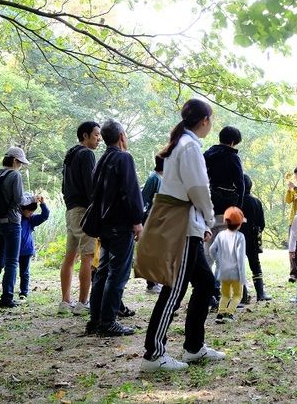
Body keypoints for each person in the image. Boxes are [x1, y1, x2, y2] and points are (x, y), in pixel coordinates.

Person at [141, 98, 225, 372]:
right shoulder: (189, 147)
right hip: (185, 226)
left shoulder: (185, 145)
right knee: (175, 288)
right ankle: (153, 354)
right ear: (204, 121)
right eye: (211, 119)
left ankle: (193, 347)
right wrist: (210, 217)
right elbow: (198, 189)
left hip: (189, 223)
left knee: (204, 282)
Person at [84, 119, 143, 337]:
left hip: (104, 224)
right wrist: (137, 221)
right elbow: (131, 191)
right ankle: (108, 321)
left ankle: (96, 319)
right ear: (121, 137)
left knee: (103, 271)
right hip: (120, 224)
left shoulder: (102, 160)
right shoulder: (123, 158)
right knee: (117, 274)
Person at [59, 121, 101, 315]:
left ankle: (65, 302)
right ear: (85, 136)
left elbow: (63, 186)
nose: (99, 139)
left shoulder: (71, 154)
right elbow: (91, 185)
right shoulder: (87, 154)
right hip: (84, 211)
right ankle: (83, 303)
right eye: (96, 135)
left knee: (69, 257)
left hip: (70, 210)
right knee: (87, 256)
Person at [0, 147, 30, 308]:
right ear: (15, 160)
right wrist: (32, 197)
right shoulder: (15, 175)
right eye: (21, 162)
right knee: (11, 262)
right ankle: (7, 298)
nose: (21, 166)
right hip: (12, 222)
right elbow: (19, 200)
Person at [204, 126, 245, 304]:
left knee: (207, 253)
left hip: (208, 209)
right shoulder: (232, 157)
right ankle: (220, 292)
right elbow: (241, 184)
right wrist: (238, 209)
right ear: (233, 141)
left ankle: (208, 291)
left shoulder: (207, 154)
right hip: (227, 211)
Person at [211, 206, 248, 323]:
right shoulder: (240, 237)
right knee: (238, 295)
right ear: (239, 224)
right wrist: (242, 275)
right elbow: (240, 257)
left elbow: (212, 250)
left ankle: (220, 314)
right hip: (236, 271)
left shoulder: (220, 235)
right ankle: (229, 313)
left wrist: (218, 261)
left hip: (223, 271)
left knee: (225, 295)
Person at [240, 174, 271, 301]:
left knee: (239, 266)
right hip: (253, 238)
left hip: (238, 238)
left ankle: (243, 296)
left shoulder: (236, 200)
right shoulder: (257, 202)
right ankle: (260, 293)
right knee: (255, 265)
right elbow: (262, 224)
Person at [18, 193, 50, 301]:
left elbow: (45, 215)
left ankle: (24, 292)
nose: (31, 213)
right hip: (13, 251)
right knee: (11, 272)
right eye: (29, 211)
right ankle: (8, 292)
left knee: (24, 273)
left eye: (33, 211)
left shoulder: (31, 219)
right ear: (22, 209)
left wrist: (43, 204)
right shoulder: (16, 218)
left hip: (26, 251)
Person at [141, 154, 164, 294]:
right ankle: (151, 284)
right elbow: (144, 199)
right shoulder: (153, 178)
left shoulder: (160, 178)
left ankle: (155, 281)